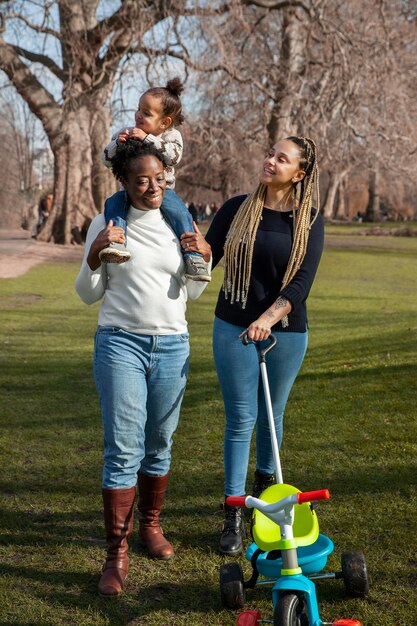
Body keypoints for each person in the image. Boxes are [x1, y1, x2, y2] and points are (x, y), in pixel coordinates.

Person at [75, 140, 211, 597]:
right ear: (125, 183)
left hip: (172, 345)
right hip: (120, 344)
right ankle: (116, 554)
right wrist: (96, 251)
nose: (152, 187)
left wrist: (204, 259)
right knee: (122, 449)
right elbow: (87, 293)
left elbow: (192, 296)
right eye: (141, 180)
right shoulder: (109, 222)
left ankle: (150, 527)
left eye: (158, 179)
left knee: (159, 442)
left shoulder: (179, 223)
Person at [205, 136, 325, 556]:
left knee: (272, 417)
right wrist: (190, 246)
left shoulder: (308, 219)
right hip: (233, 326)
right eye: (270, 153)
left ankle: (266, 500)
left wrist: (268, 318)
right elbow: (208, 256)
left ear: (300, 173)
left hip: (287, 331)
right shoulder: (237, 209)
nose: (270, 161)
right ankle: (234, 512)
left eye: (282, 158)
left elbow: (302, 281)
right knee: (241, 418)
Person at [100, 77, 211, 282]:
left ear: (164, 122)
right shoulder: (127, 132)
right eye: (138, 109)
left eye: (146, 113)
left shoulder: (172, 136)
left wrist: (147, 138)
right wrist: (117, 143)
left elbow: (173, 157)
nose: (138, 116)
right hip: (131, 191)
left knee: (180, 212)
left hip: (164, 191)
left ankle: (193, 257)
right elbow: (105, 160)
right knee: (113, 204)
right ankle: (116, 243)